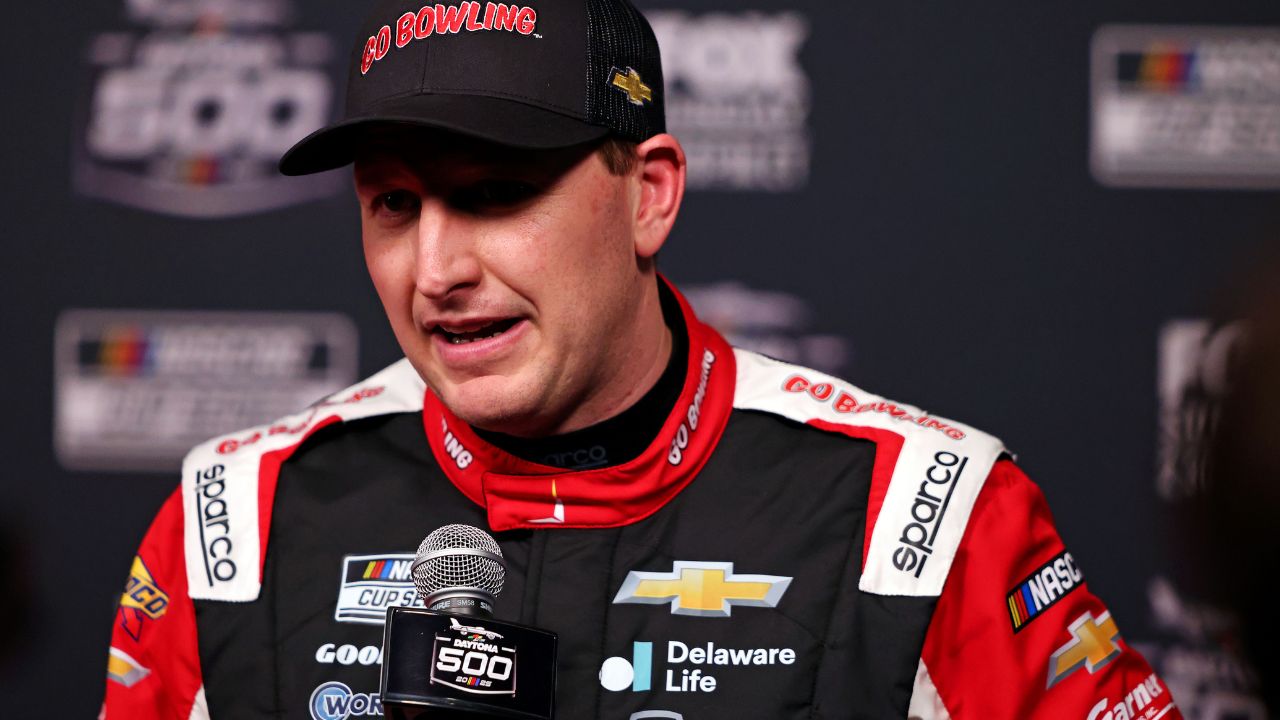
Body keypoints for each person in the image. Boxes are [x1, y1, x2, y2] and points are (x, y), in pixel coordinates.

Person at [102, 0, 1182, 717]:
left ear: (648, 195)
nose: (433, 268)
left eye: (491, 196)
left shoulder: (925, 515)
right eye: (394, 204)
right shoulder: (231, 521)